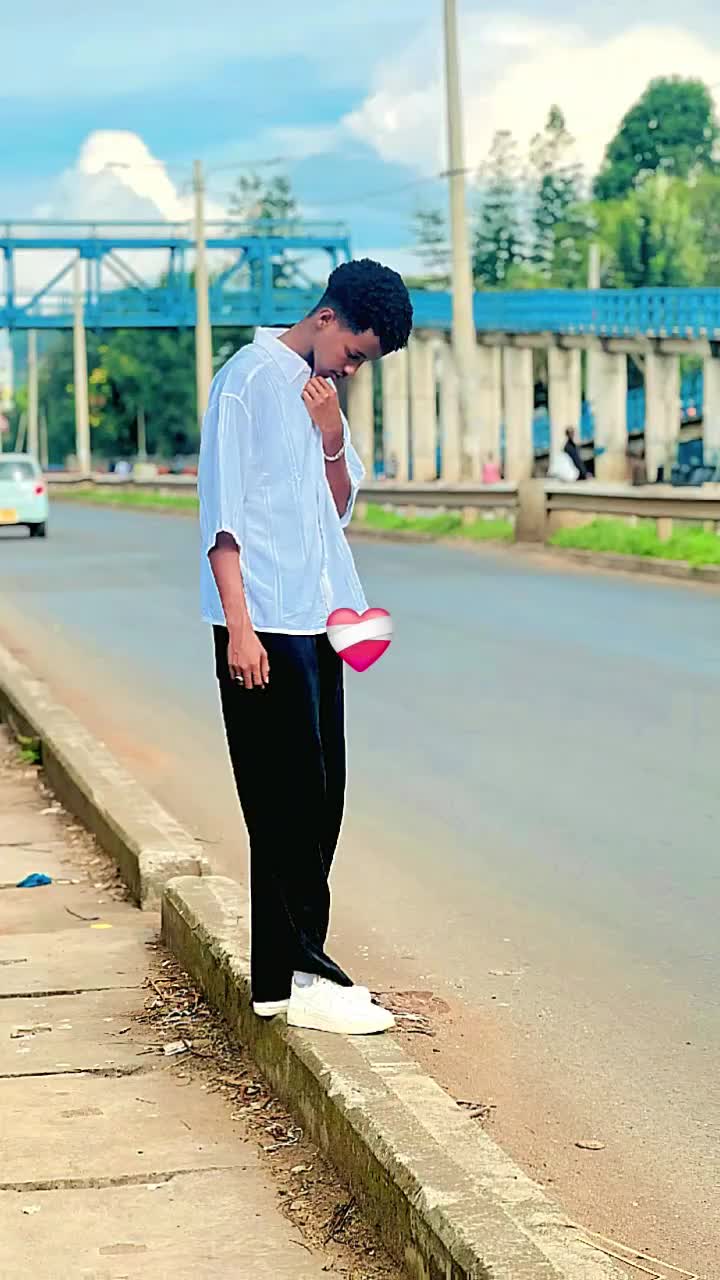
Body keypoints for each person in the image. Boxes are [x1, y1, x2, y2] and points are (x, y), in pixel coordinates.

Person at [198, 258, 413, 1036]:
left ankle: (293, 973)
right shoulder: (247, 381)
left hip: (318, 621)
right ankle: (293, 977)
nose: (351, 368)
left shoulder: (322, 399)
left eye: (363, 362)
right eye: (353, 352)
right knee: (282, 803)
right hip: (263, 625)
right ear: (326, 319)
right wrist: (240, 628)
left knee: (322, 796)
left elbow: (338, 509)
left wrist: (331, 435)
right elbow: (221, 515)